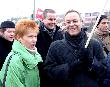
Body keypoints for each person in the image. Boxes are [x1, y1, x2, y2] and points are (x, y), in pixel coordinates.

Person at [43, 10, 107, 87]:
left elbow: (104, 71)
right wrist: (71, 67)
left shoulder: (94, 44)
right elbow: (49, 72)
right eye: (68, 22)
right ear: (64, 24)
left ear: (82, 22)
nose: (71, 24)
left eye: (75, 21)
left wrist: (92, 63)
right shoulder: (55, 46)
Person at [0, 19, 42, 87]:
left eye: (35, 36)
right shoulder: (15, 59)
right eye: (30, 36)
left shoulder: (34, 55)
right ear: (19, 37)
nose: (34, 40)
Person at [36, 9, 63, 87]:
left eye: (55, 19)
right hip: (42, 74)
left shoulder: (60, 33)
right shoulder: (36, 34)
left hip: (57, 73)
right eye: (50, 19)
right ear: (43, 19)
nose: (53, 22)